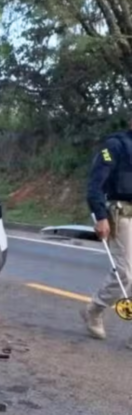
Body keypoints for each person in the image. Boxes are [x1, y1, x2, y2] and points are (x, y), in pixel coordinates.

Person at [84, 118, 132, 349]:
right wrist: (100, 216)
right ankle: (94, 309)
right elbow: (95, 184)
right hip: (121, 215)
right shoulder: (114, 145)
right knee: (124, 273)